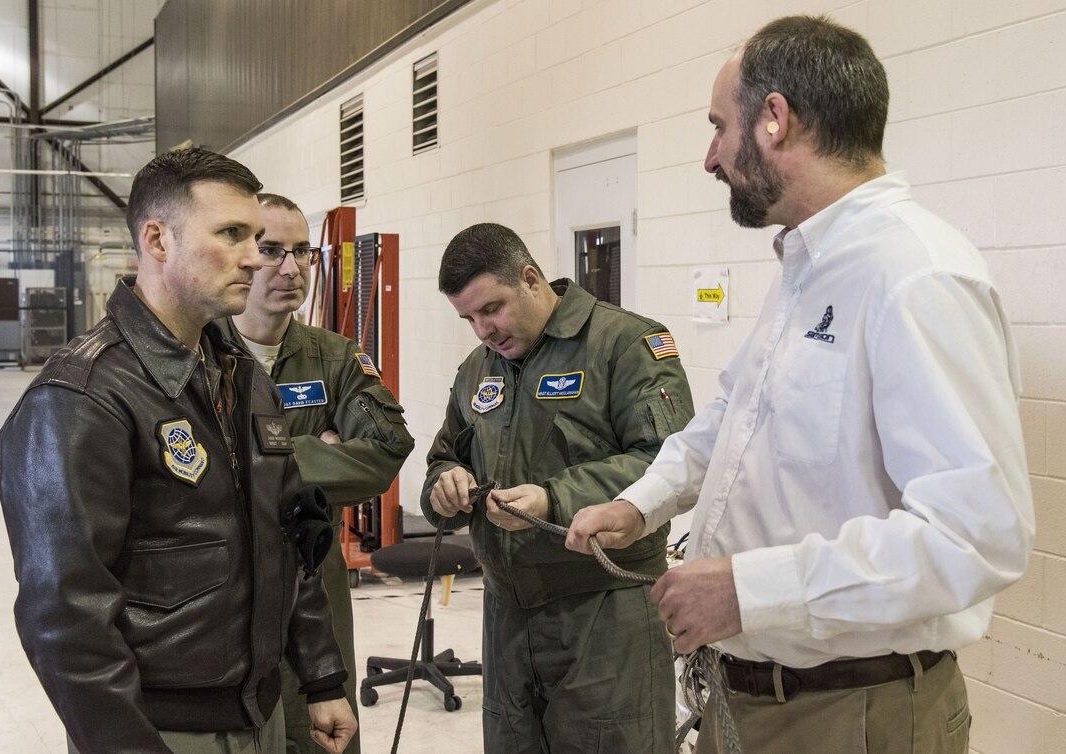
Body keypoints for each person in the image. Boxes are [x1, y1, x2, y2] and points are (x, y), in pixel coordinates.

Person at [566, 15, 1035, 754]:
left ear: (775, 120)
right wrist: (640, 502)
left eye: (720, 127)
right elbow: (734, 417)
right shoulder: (811, 266)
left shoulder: (915, 275)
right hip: (758, 698)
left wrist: (749, 591)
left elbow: (975, 538)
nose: (710, 156)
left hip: (856, 713)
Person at [0, 148, 357, 754]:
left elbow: (292, 538)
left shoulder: (240, 374)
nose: (255, 257)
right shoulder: (81, 398)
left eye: (257, 237)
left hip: (262, 714)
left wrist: (320, 675)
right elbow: (65, 617)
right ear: (158, 240)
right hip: (159, 729)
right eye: (232, 234)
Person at [422, 222, 694, 752]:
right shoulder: (479, 369)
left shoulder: (625, 345)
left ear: (530, 278)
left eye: (492, 308)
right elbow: (444, 455)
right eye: (469, 318)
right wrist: (444, 486)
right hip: (507, 614)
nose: (483, 330)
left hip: (605, 609)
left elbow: (669, 461)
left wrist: (554, 498)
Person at [217, 192, 415, 754]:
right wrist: (320, 449)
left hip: (313, 571)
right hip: (223, 580)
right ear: (242, 257)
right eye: (273, 250)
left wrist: (266, 456)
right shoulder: (200, 355)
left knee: (323, 728)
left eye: (303, 252)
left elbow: (385, 451)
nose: (291, 267)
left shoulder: (334, 357)